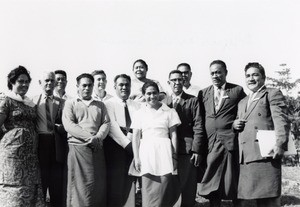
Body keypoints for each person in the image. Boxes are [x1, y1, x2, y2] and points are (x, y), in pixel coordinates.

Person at [233, 62, 290, 207]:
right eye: (247, 76)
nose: (251, 79)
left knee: (268, 200)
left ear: (263, 78)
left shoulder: (271, 93)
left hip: (266, 156)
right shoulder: (242, 102)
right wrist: (235, 124)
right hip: (245, 158)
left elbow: (281, 120)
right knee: (245, 201)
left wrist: (280, 144)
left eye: (255, 75)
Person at [197, 60, 246, 207]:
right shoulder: (204, 93)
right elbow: (199, 117)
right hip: (211, 142)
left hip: (230, 140)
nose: (215, 75)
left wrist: (236, 122)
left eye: (218, 72)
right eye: (212, 73)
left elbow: (245, 110)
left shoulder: (236, 90)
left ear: (225, 72)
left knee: (233, 177)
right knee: (212, 176)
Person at [62, 73, 110, 207]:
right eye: (84, 85)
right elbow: (69, 125)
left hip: (97, 149)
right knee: (77, 188)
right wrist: (90, 138)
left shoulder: (100, 105)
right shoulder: (70, 103)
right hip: (77, 149)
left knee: (97, 186)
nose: (87, 88)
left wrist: (98, 137)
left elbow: (106, 123)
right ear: (77, 87)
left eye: (90, 85)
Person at [0, 66, 45, 206]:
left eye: (27, 82)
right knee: (14, 192)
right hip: (13, 156)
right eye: (20, 81)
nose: (24, 85)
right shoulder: (6, 101)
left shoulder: (30, 103)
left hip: (30, 156)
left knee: (31, 190)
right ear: (12, 82)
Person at [131, 81, 181, 206]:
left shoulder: (169, 112)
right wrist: (136, 157)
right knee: (148, 187)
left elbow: (174, 135)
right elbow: (136, 136)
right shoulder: (139, 113)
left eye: (154, 93)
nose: (152, 96)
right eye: (148, 93)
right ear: (143, 95)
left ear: (159, 94)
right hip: (146, 152)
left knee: (164, 185)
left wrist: (174, 156)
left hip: (164, 151)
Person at [167, 70, 206, 207]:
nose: (177, 83)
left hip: (186, 150)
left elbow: (199, 126)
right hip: (166, 149)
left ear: (184, 82)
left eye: (180, 80)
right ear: (169, 82)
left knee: (187, 188)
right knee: (169, 187)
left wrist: (196, 150)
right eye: (173, 80)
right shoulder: (162, 101)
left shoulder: (193, 100)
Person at [104, 74, 141, 207]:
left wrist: (135, 146)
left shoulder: (137, 105)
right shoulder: (108, 104)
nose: (124, 87)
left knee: (130, 181)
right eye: (121, 85)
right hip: (116, 147)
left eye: (127, 85)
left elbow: (138, 126)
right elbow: (113, 128)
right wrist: (128, 145)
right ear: (115, 87)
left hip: (134, 145)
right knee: (116, 183)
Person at [32, 71, 66, 206]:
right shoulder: (32, 101)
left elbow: (67, 123)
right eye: (46, 80)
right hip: (40, 143)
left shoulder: (63, 102)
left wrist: (61, 127)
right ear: (40, 83)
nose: (49, 83)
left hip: (57, 144)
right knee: (42, 180)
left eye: (52, 81)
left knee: (56, 183)